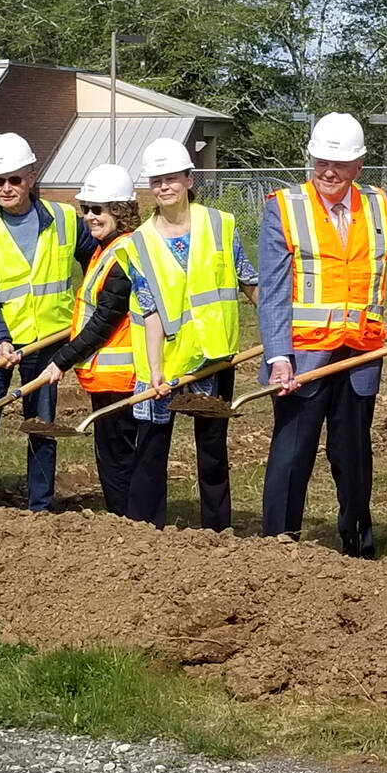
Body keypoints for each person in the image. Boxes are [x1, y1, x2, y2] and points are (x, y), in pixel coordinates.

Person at [258, 112, 387, 557]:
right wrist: (278, 356)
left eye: (339, 164)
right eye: (321, 161)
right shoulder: (285, 207)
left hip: (361, 354)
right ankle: (277, 547)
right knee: (292, 453)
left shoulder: (380, 205)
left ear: (359, 165)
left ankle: (358, 546)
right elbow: (271, 291)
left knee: (353, 456)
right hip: (303, 357)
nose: (328, 171)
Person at [0, 132, 96, 512]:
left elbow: (96, 262)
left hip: (48, 342)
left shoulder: (65, 218)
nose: (5, 188)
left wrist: (89, 303)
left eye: (14, 179)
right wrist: (1, 339)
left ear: (31, 176)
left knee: (41, 428)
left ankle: (40, 509)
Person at [123, 138, 257, 530]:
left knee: (212, 450)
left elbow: (248, 281)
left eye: (172, 179)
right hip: (163, 362)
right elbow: (149, 310)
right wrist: (155, 368)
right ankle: (144, 530)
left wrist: (278, 328)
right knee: (150, 448)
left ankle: (217, 532)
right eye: (157, 180)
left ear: (188, 179)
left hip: (214, 358)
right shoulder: (139, 243)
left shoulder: (220, 224)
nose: (164, 187)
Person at [35, 164, 140, 518]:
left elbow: (103, 323)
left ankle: (129, 527)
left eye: (98, 209)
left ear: (120, 211)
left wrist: (60, 361)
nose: (90, 217)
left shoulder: (123, 254)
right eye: (86, 209)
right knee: (112, 458)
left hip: (120, 377)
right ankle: (126, 522)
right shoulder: (104, 249)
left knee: (118, 460)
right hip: (106, 376)